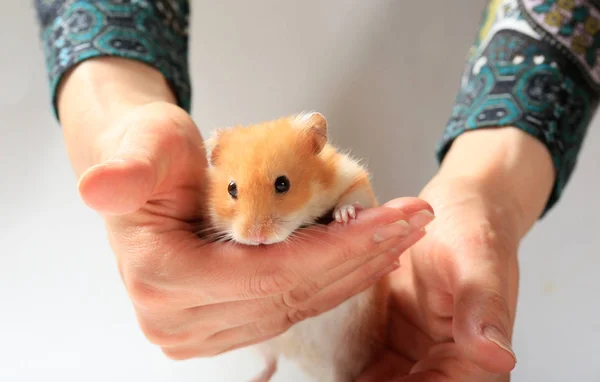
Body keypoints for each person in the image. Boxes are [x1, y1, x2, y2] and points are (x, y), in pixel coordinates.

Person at [33, 0, 596, 381]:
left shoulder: (332, 172)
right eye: (235, 192)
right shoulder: (219, 179)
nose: (255, 225)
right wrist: (115, 116)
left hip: (453, 99)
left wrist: (487, 184)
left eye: (279, 188)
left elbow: (354, 186)